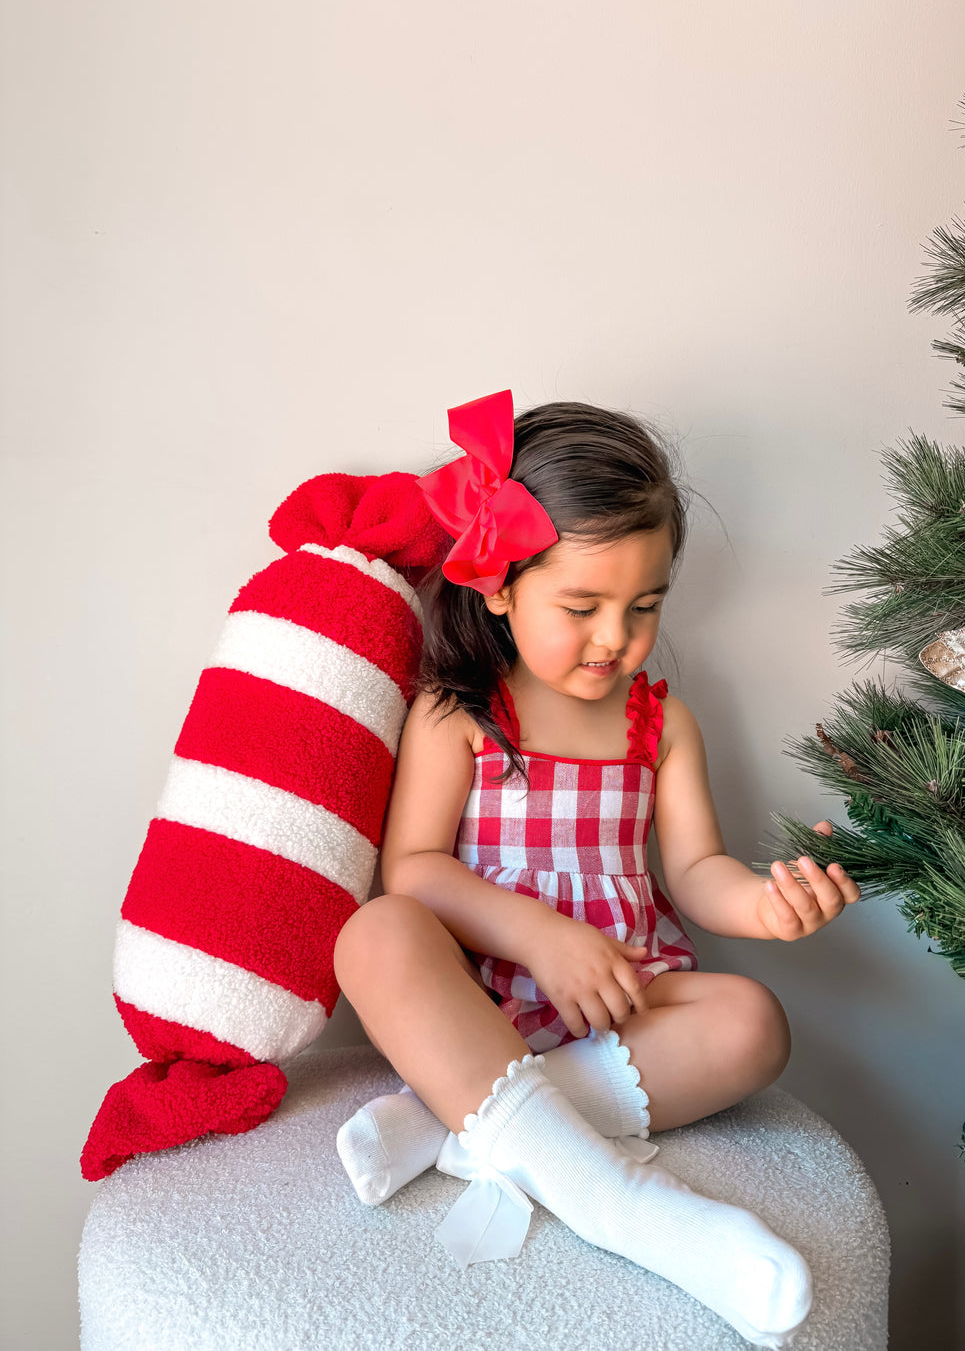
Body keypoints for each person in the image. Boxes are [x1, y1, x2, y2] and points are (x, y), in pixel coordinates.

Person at [333, 389, 860, 1349]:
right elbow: (411, 870)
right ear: (500, 588)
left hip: (621, 1005)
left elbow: (696, 868)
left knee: (753, 1022)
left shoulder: (662, 723)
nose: (615, 636)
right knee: (373, 934)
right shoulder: (460, 715)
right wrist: (539, 932)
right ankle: (616, 1197)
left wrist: (767, 903)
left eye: (644, 605)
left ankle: (460, 1127)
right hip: (479, 1006)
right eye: (582, 605)